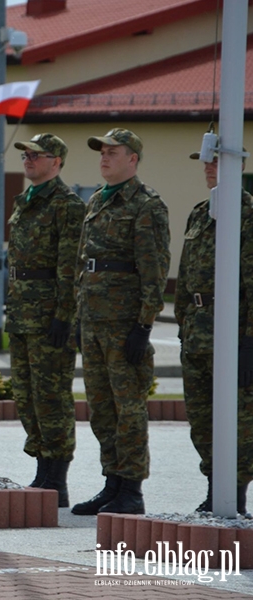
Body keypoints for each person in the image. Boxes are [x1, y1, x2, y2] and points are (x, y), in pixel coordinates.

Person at [71, 128, 170, 516]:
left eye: (113, 152)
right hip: (95, 320)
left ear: (133, 158)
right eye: (102, 151)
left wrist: (143, 325)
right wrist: (81, 318)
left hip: (124, 322)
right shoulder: (98, 200)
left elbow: (154, 270)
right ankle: (111, 482)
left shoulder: (147, 205)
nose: (105, 157)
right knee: (101, 406)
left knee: (128, 407)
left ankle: (131, 488)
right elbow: (85, 263)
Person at [7, 134, 85, 507]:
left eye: (37, 155)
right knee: (27, 396)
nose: (29, 159)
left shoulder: (67, 205)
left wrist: (64, 316)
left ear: (56, 162)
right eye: (26, 154)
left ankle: (57, 477)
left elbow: (69, 266)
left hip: (49, 315)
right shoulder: (25, 203)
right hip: (22, 313)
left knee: (52, 396)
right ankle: (41, 467)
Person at [175, 147, 253, 515]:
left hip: (234, 333)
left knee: (239, 420)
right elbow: (185, 278)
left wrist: (250, 340)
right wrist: (182, 325)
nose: (208, 167)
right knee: (202, 418)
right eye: (206, 161)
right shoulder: (199, 213)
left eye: (216, 161)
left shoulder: (248, 215)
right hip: (198, 333)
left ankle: (233, 495)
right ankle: (213, 488)